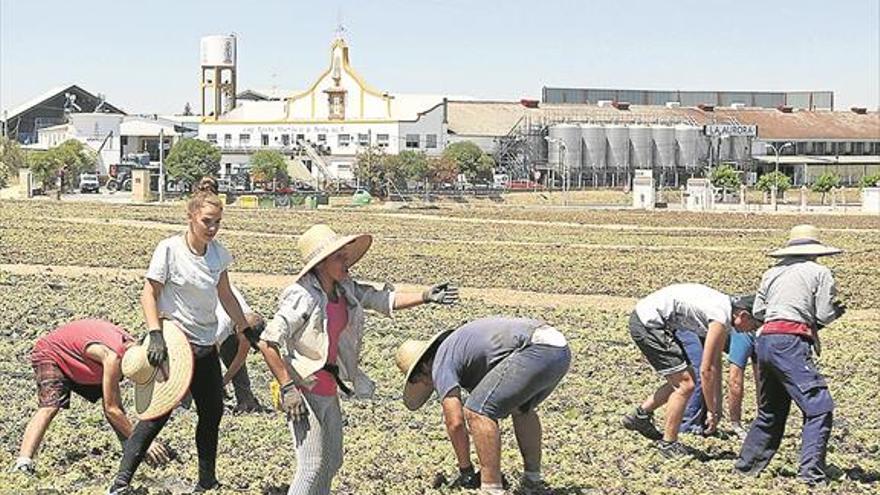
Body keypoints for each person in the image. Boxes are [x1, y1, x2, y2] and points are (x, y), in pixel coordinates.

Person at [256, 223, 459, 495]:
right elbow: (268, 342)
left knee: (332, 460)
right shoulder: (302, 296)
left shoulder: (344, 289)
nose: (346, 260)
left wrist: (425, 296)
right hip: (304, 388)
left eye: (345, 254)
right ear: (321, 264)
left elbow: (380, 298)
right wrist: (287, 387)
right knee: (311, 465)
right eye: (339, 256)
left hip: (328, 387)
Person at [108, 177, 258, 494]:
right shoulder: (170, 250)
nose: (213, 228)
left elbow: (226, 295)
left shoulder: (218, 255)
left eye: (217, 222)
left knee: (211, 414)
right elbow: (149, 294)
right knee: (157, 415)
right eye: (207, 221)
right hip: (176, 343)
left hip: (205, 346)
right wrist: (155, 334)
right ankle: (121, 481)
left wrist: (243, 326)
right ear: (191, 217)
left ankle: (206, 480)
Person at [395, 317, 571, 495]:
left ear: (424, 366)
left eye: (417, 379)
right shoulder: (458, 348)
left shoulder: (440, 361)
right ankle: (532, 479)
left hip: (535, 349)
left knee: (477, 411)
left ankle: (491, 488)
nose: (425, 383)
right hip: (558, 350)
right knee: (521, 408)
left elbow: (455, 422)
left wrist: (466, 471)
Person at [735, 225, 845, 486]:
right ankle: (811, 474)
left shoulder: (771, 273)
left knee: (770, 411)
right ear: (815, 252)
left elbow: (760, 311)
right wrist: (834, 314)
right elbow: (824, 314)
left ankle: (745, 468)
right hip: (791, 343)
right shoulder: (820, 272)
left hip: (765, 341)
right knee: (819, 407)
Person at [11, 319, 172, 475]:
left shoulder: (132, 347)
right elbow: (111, 410)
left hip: (84, 362)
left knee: (114, 404)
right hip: (53, 353)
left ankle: (129, 455)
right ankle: (23, 462)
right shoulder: (112, 357)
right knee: (50, 406)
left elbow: (114, 408)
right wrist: (143, 443)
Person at [621, 283, 761, 457]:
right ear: (743, 315)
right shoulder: (720, 317)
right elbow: (707, 370)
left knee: (684, 380)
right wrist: (711, 410)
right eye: (754, 325)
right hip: (649, 322)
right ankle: (668, 443)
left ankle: (640, 416)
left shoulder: (724, 311)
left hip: (655, 320)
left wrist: (716, 406)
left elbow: (715, 363)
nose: (753, 330)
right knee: (686, 384)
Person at [215, 283, 266, 413]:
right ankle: (184, 399)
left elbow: (240, 358)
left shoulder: (248, 320)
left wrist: (223, 381)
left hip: (230, 323)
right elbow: (209, 353)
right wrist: (215, 380)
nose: (245, 345)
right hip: (199, 311)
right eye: (244, 339)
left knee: (233, 351)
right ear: (240, 329)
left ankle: (245, 400)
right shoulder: (222, 326)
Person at [727, 330, 759, 438]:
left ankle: (762, 419)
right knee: (736, 380)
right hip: (744, 332)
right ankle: (735, 423)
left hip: (761, 329)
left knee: (763, 379)